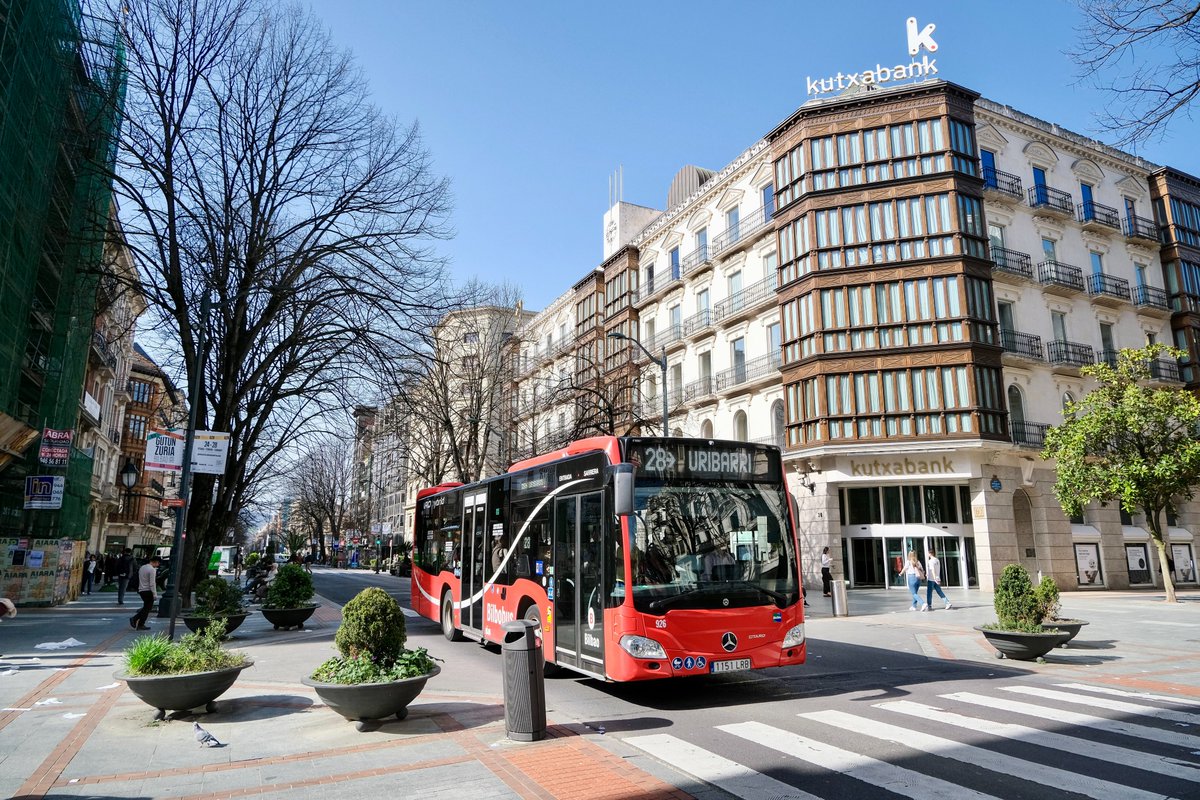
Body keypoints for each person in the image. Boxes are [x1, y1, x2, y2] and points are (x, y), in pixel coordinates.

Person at [129, 555, 160, 630]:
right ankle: (138, 622)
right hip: (148, 591)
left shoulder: (142, 567)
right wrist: (155, 594)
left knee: (146, 608)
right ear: (155, 562)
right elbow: (152, 583)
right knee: (147, 609)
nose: (158, 565)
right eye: (158, 563)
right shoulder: (152, 570)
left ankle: (137, 621)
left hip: (141, 590)